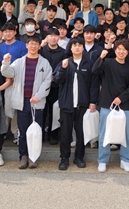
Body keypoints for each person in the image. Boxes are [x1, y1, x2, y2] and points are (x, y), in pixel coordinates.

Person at [1, 35, 52, 169]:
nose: (33, 46)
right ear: (26, 46)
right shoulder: (18, 62)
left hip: (37, 102)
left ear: (39, 46)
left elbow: (47, 81)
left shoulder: (45, 63)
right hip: (22, 102)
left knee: (35, 131)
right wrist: (5, 62)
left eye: (36, 44)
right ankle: (23, 156)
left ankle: (33, 157)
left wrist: (38, 96)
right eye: (31, 44)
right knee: (22, 131)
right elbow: (7, 73)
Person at [54, 37, 97, 170]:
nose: (77, 47)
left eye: (79, 45)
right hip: (67, 103)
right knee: (65, 133)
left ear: (83, 48)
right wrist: (63, 68)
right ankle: (64, 158)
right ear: (71, 48)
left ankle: (79, 157)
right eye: (74, 45)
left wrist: (93, 101)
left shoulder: (89, 63)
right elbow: (57, 80)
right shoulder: (64, 62)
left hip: (83, 104)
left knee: (81, 133)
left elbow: (94, 84)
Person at [92, 40, 129, 173]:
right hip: (106, 103)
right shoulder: (107, 63)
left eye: (124, 50)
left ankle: (125, 160)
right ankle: (102, 160)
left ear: (127, 52)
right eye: (119, 49)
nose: (121, 52)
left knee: (125, 133)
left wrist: (121, 98)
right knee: (104, 133)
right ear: (115, 50)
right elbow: (95, 70)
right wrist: (101, 57)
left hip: (124, 105)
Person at [40, 28, 65, 145]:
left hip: (57, 86)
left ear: (59, 37)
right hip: (41, 86)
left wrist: (55, 78)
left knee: (55, 111)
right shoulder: (41, 50)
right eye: (51, 35)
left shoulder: (63, 52)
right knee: (42, 111)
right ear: (47, 37)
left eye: (56, 36)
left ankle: (53, 135)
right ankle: (40, 135)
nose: (53, 38)